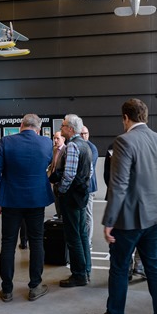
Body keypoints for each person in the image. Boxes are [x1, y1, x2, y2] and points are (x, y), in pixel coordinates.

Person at [92, 98, 157, 314]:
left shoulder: (123, 141)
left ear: (126, 118)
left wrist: (109, 220)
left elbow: (118, 185)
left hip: (129, 220)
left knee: (119, 267)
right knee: (154, 266)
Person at [0, 114, 54, 302]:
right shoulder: (46, 143)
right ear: (39, 129)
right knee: (36, 241)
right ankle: (35, 286)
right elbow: (48, 164)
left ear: (20, 126)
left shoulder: (6, 142)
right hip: (36, 199)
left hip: (10, 199)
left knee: (8, 243)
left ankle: (7, 289)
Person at [53, 114, 92, 288]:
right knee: (82, 234)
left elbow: (68, 174)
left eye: (63, 126)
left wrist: (61, 190)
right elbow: (89, 171)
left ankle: (78, 274)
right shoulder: (86, 146)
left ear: (70, 128)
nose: (61, 129)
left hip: (71, 197)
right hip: (82, 195)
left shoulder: (73, 146)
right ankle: (86, 270)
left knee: (73, 236)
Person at [103, 141, 145, 281]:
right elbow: (107, 174)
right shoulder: (112, 147)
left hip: (135, 200)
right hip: (124, 199)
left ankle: (137, 267)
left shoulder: (141, 147)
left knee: (137, 234)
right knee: (124, 237)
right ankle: (127, 268)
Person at [80, 125, 98, 249]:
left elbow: (87, 169)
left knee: (87, 214)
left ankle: (88, 241)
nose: (83, 136)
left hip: (89, 187)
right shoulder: (78, 146)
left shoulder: (92, 148)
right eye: (81, 134)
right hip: (80, 186)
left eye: (85, 133)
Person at [49, 131, 66, 220]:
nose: (55, 140)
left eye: (57, 138)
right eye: (54, 138)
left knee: (63, 206)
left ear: (63, 139)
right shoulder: (54, 150)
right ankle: (59, 218)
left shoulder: (66, 150)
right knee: (57, 205)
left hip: (61, 182)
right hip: (54, 182)